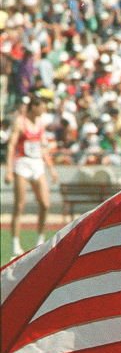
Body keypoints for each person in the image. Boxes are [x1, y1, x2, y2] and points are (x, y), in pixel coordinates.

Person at [5, 93, 58, 257]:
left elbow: (43, 148)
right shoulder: (20, 122)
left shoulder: (40, 123)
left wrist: (51, 169)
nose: (44, 109)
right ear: (33, 107)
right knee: (19, 205)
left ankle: (40, 239)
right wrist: (8, 170)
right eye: (41, 106)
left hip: (37, 163)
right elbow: (11, 145)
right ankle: (15, 243)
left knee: (45, 203)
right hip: (22, 163)